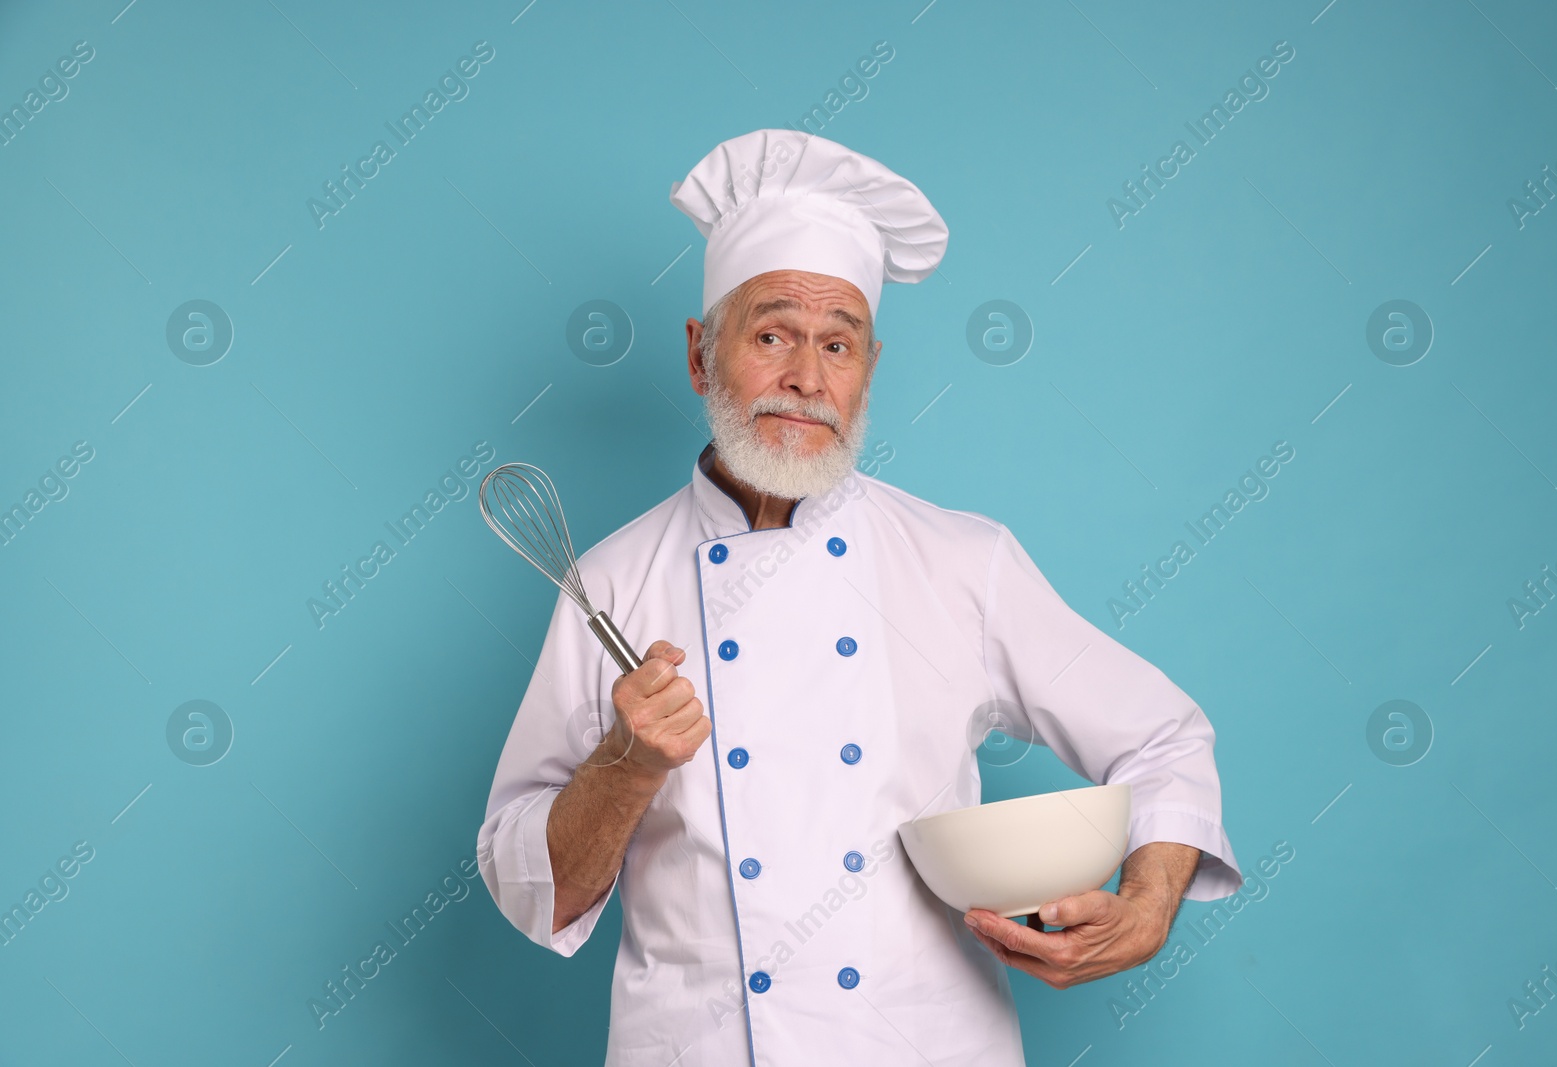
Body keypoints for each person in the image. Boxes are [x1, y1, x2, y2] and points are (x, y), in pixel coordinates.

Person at [477, 128, 1243, 1066]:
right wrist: (628, 764)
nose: (807, 379)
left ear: (868, 369)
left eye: (837, 344)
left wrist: (1150, 902)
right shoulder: (606, 580)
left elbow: (1166, 737)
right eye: (771, 336)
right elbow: (532, 888)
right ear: (698, 354)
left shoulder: (964, 561)